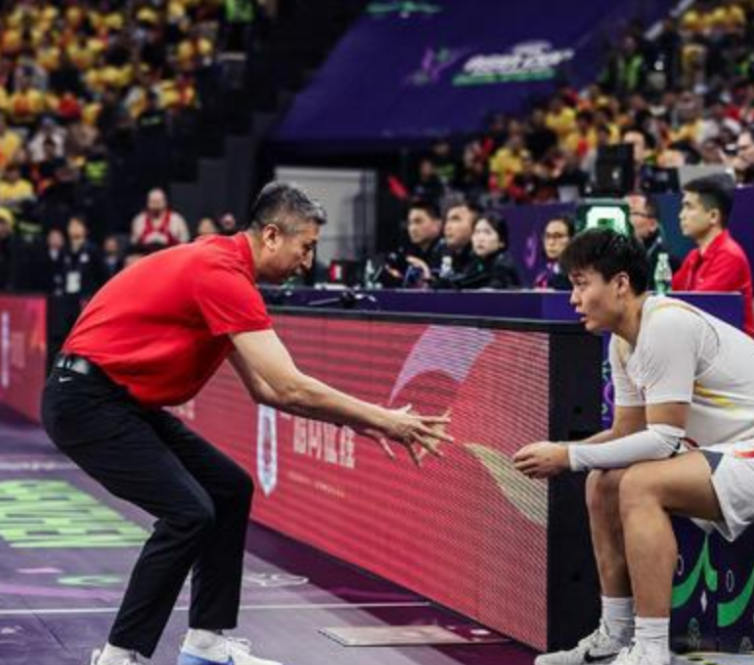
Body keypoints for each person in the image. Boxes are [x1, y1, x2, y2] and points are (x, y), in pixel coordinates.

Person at [42, 182, 452, 665]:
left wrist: (364, 424)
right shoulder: (220, 274)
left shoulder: (225, 267)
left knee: (229, 488)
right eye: (306, 247)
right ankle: (117, 655)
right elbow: (289, 385)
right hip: (85, 400)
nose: (308, 262)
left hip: (118, 400)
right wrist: (385, 419)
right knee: (189, 513)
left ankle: (206, 642)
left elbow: (266, 390)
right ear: (272, 235)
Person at [514, 228, 754, 665]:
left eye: (581, 284)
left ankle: (652, 649)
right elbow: (626, 434)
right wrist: (559, 449)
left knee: (641, 484)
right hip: (734, 454)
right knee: (603, 483)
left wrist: (568, 456)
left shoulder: (666, 325)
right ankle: (614, 637)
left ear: (620, 283)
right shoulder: (623, 343)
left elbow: (661, 441)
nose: (573, 299)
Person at [671, 177, 754, 338]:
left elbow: (698, 309)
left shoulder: (729, 256)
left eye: (689, 207)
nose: (681, 215)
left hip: (734, 346)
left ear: (713, 216)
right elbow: (669, 295)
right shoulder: (693, 256)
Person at [442, 211, 522, 290]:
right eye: (477, 232)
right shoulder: (475, 263)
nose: (480, 238)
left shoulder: (503, 266)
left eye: (487, 232)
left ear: (501, 242)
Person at [624, 193, 679, 287]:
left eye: (632, 213)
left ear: (652, 224)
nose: (624, 218)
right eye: (621, 210)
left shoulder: (668, 264)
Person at [534, 215, 574, 291]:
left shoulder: (576, 275)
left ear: (571, 239)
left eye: (558, 236)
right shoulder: (544, 273)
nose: (551, 242)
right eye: (547, 236)